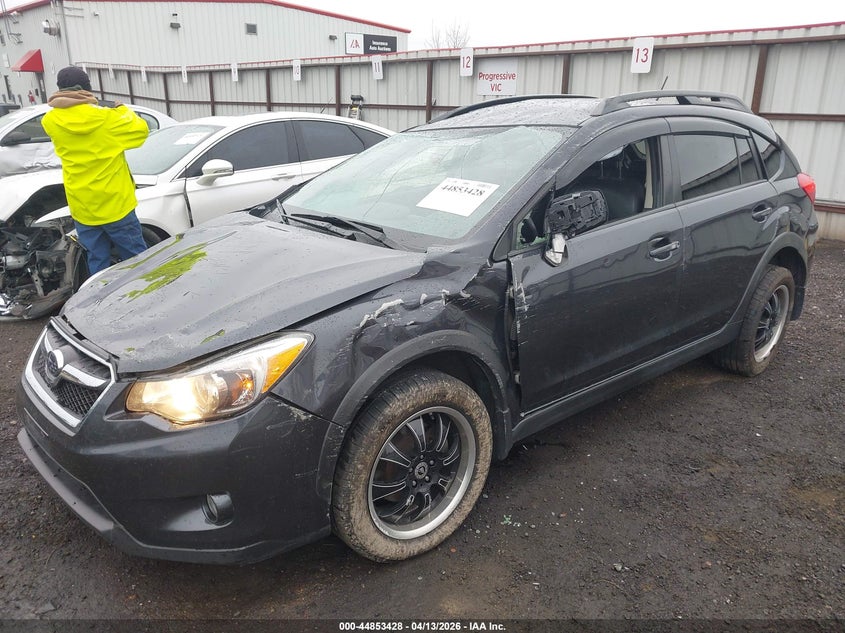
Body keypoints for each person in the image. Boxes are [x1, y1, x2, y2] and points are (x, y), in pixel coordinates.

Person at [42, 66, 150, 275]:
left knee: (97, 262)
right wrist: (120, 108)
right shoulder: (106, 118)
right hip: (115, 203)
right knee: (138, 262)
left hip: (82, 205)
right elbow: (141, 130)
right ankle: (144, 302)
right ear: (87, 89)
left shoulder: (50, 121)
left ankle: (100, 302)